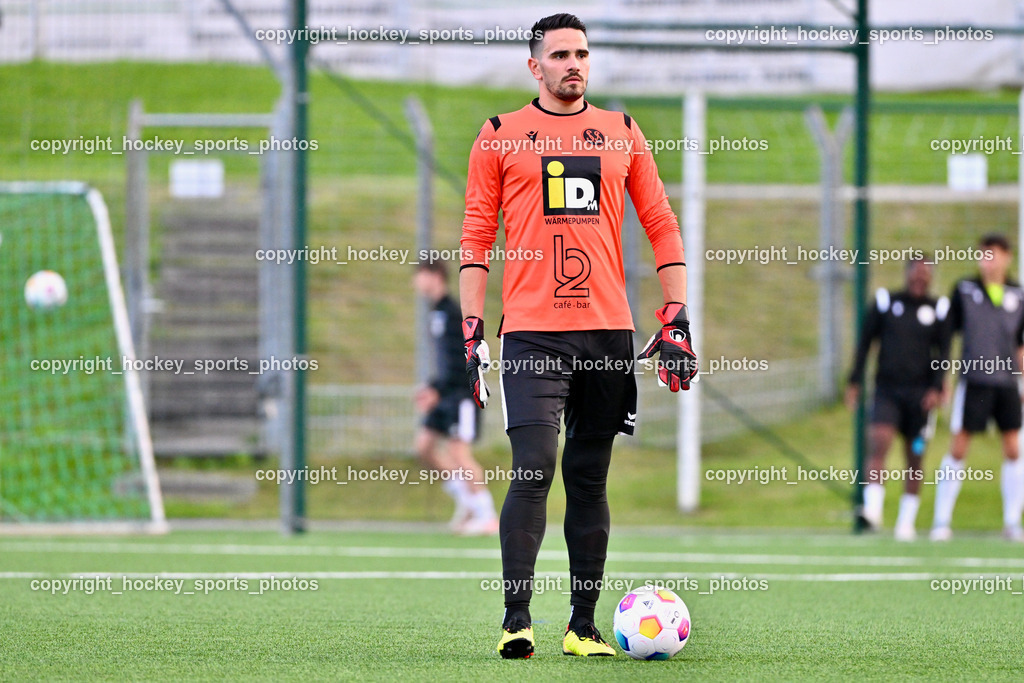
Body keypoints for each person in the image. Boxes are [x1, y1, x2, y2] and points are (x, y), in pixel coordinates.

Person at [459, 13, 697, 659]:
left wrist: (676, 312)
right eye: (560, 54)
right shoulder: (501, 135)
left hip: (607, 336)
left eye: (582, 53)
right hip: (533, 334)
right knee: (533, 467)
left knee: (588, 478)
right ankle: (516, 619)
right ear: (534, 66)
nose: (574, 63)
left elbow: (661, 220)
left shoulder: (621, 131)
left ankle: (582, 625)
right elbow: (477, 235)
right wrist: (471, 326)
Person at [846, 259, 950, 541]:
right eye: (916, 273)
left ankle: (906, 522)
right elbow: (865, 343)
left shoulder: (938, 309)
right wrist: (854, 380)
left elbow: (944, 352)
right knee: (879, 442)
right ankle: (873, 510)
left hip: (921, 397)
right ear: (907, 274)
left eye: (926, 274)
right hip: (887, 391)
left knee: (915, 456)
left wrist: (938, 387)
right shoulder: (886, 303)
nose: (920, 279)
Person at [931, 234, 1024, 542]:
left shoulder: (1018, 295)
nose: (988, 261)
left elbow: (1020, 346)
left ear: (1007, 257)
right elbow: (947, 337)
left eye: (993, 255)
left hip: (1007, 383)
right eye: (983, 255)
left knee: (1013, 449)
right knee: (959, 446)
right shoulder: (964, 290)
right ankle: (941, 519)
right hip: (974, 382)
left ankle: (1012, 521)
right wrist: (941, 377)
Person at [412, 260, 498, 536]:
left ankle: (488, 517)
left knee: (459, 453)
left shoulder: (451, 312)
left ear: (435, 276)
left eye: (420, 275)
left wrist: (436, 388)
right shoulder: (435, 312)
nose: (416, 282)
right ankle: (467, 500)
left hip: (461, 393)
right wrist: (433, 387)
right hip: (445, 391)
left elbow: (460, 359)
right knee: (424, 446)